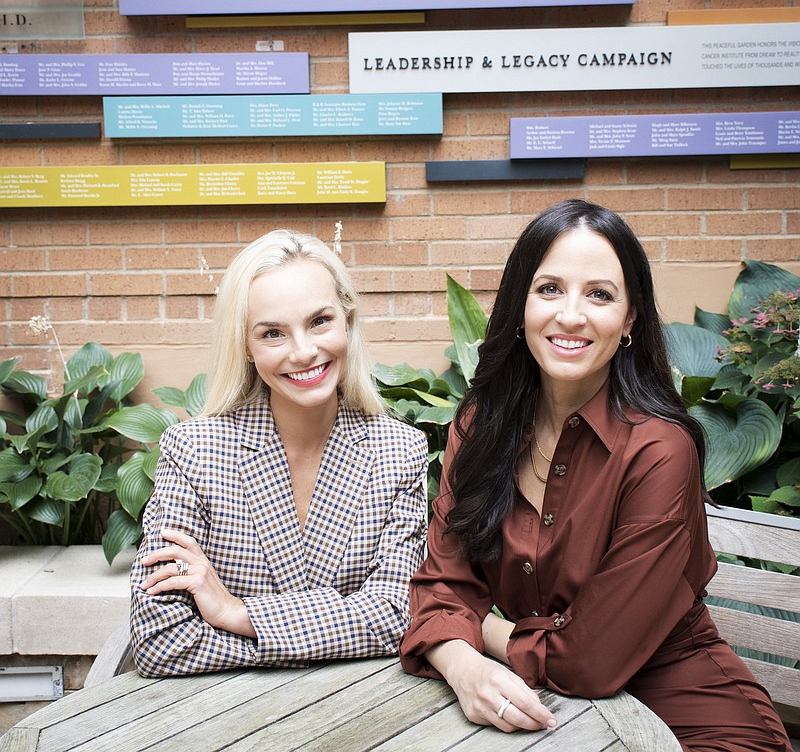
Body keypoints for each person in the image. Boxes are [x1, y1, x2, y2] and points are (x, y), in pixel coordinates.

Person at [399, 199, 791, 752]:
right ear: (520, 304)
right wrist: (464, 667)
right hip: (556, 715)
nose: (571, 315)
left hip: (693, 720)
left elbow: (588, 661)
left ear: (629, 319)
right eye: (549, 288)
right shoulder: (481, 427)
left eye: (600, 294)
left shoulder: (659, 451)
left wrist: (482, 632)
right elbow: (442, 588)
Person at [130, 229, 428, 677]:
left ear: (347, 320)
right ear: (246, 348)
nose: (304, 351)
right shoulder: (194, 451)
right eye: (272, 333)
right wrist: (334, 631)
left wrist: (237, 615)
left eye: (320, 321)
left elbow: (398, 617)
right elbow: (159, 641)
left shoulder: (399, 450)